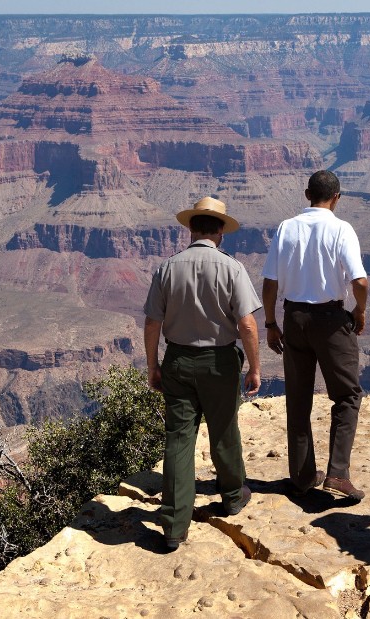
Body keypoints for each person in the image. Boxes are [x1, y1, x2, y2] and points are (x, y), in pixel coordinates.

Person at [143, 196, 262, 550]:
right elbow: (248, 324)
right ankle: (232, 497)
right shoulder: (231, 268)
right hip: (219, 361)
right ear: (221, 232)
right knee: (224, 428)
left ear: (191, 229)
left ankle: (174, 527)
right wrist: (255, 367)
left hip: (177, 360)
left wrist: (153, 365)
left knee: (178, 439)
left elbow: (152, 322)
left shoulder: (167, 268)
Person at [262, 170, 369, 501]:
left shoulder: (286, 227)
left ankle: (303, 476)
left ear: (307, 194)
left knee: (298, 399)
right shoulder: (341, 229)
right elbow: (360, 282)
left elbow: (269, 283)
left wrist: (270, 323)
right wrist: (359, 312)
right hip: (331, 320)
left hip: (294, 318)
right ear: (337, 197)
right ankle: (337, 474)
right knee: (347, 396)